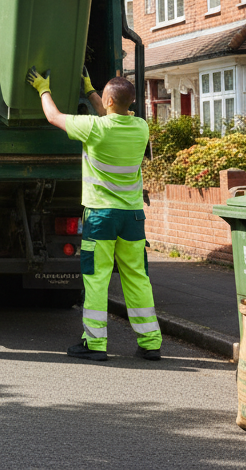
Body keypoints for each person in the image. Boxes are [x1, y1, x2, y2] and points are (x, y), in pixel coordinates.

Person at [26, 65, 162, 362]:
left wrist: (42, 88)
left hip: (102, 217)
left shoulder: (95, 128)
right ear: (132, 104)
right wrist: (90, 90)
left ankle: (95, 344)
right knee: (137, 278)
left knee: (97, 278)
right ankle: (151, 342)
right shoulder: (141, 127)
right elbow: (111, 112)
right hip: (133, 217)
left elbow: (54, 116)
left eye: (102, 97)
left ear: (109, 101)